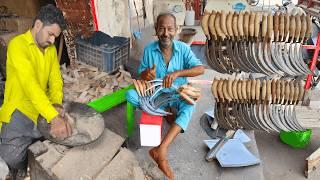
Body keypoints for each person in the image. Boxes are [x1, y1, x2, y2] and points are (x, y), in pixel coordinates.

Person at [126, 13, 204, 179]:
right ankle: (166, 111)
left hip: (177, 93)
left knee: (191, 104)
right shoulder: (149, 50)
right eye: (161, 28)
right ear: (156, 30)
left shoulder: (183, 48)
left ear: (176, 30)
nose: (165, 33)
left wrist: (177, 73)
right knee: (131, 95)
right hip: (156, 95)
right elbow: (141, 74)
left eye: (170, 29)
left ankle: (161, 149)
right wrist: (147, 74)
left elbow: (200, 69)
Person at [0, 4, 72, 179]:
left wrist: (55, 103)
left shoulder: (50, 49)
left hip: (43, 108)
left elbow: (55, 80)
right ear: (38, 25)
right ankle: (24, 163)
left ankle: (34, 155)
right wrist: (53, 117)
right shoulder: (18, 46)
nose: (53, 40)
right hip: (20, 110)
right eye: (51, 34)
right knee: (12, 158)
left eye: (56, 36)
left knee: (60, 141)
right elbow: (29, 85)